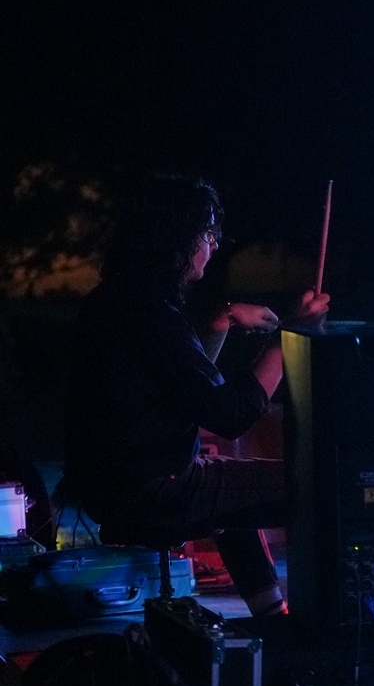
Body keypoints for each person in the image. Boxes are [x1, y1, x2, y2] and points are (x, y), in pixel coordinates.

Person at [59, 175, 329, 616]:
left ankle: (270, 614)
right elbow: (230, 415)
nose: (215, 244)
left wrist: (222, 321)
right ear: (176, 240)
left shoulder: (112, 303)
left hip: (112, 488)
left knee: (229, 485)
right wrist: (291, 336)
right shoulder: (154, 316)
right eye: (207, 233)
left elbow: (184, 388)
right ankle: (324, 623)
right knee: (321, 484)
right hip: (160, 490)